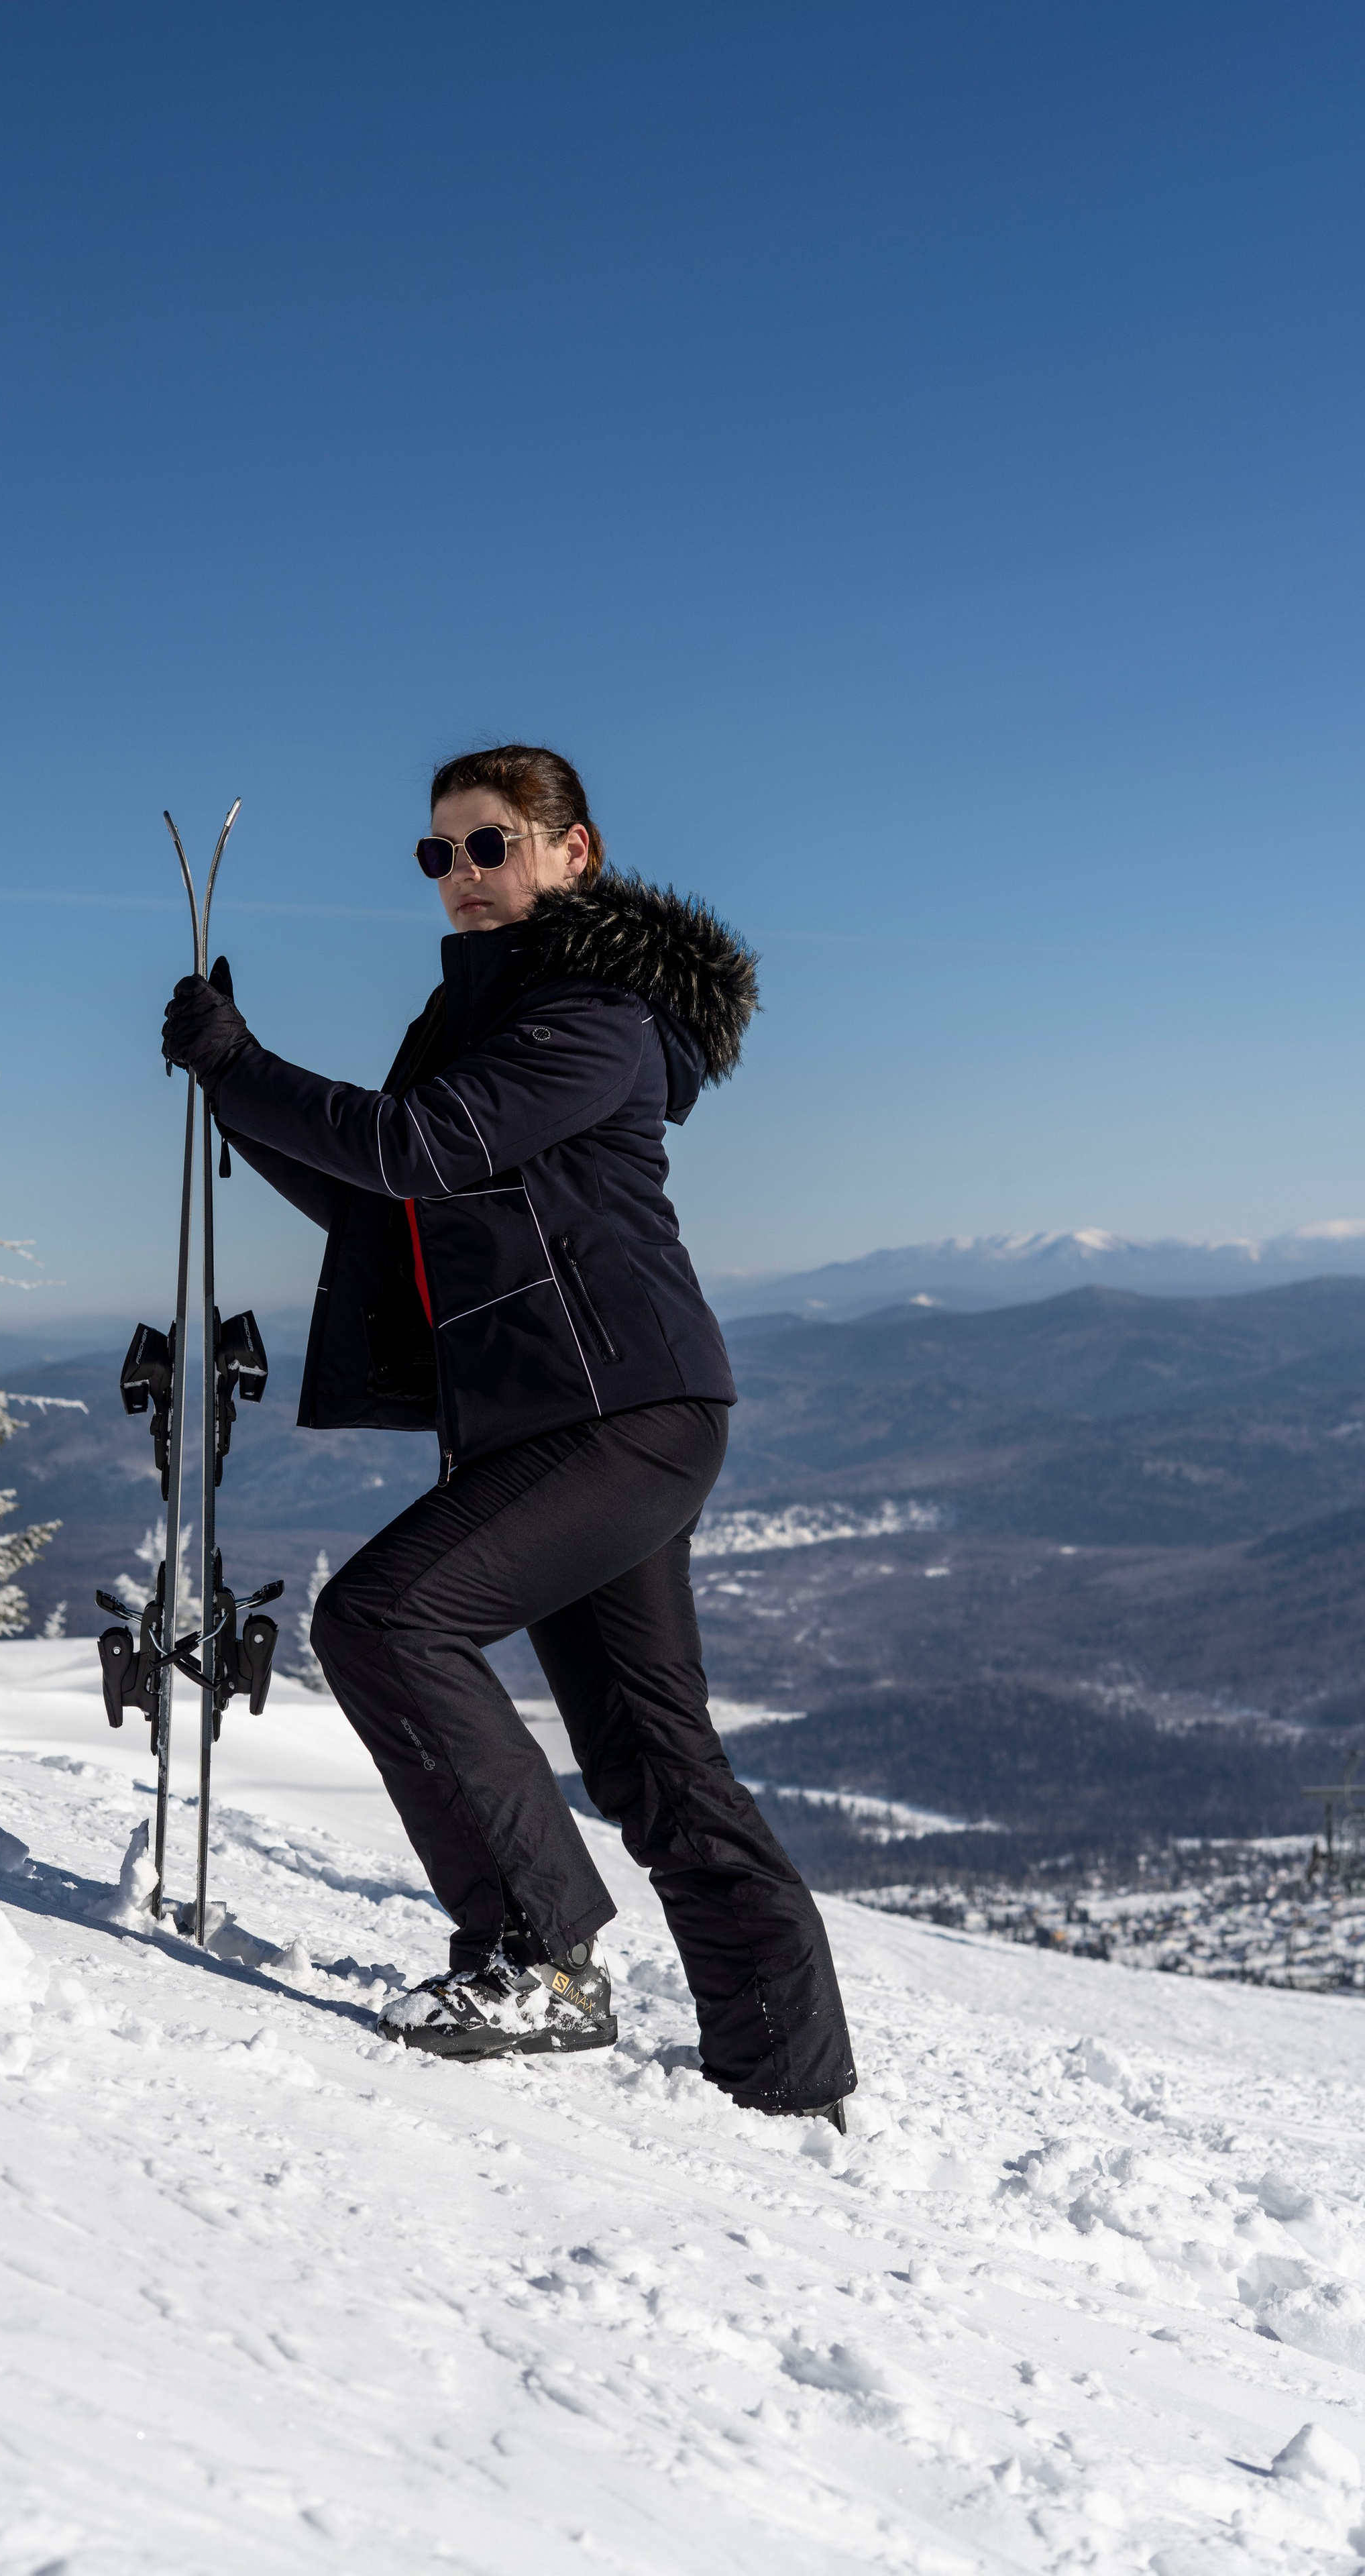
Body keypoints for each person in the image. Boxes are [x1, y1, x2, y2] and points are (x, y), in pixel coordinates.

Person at [161, 743, 855, 2125]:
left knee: (381, 1620)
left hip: (621, 1414)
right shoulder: (472, 1020)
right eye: (439, 856)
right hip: (555, 1418)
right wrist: (231, 1085)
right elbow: (386, 1202)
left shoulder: (592, 1012)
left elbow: (416, 1147)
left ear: (570, 852)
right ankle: (787, 2088)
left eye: (489, 846)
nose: (461, 878)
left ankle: (535, 1960)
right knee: (652, 1762)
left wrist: (254, 1067)